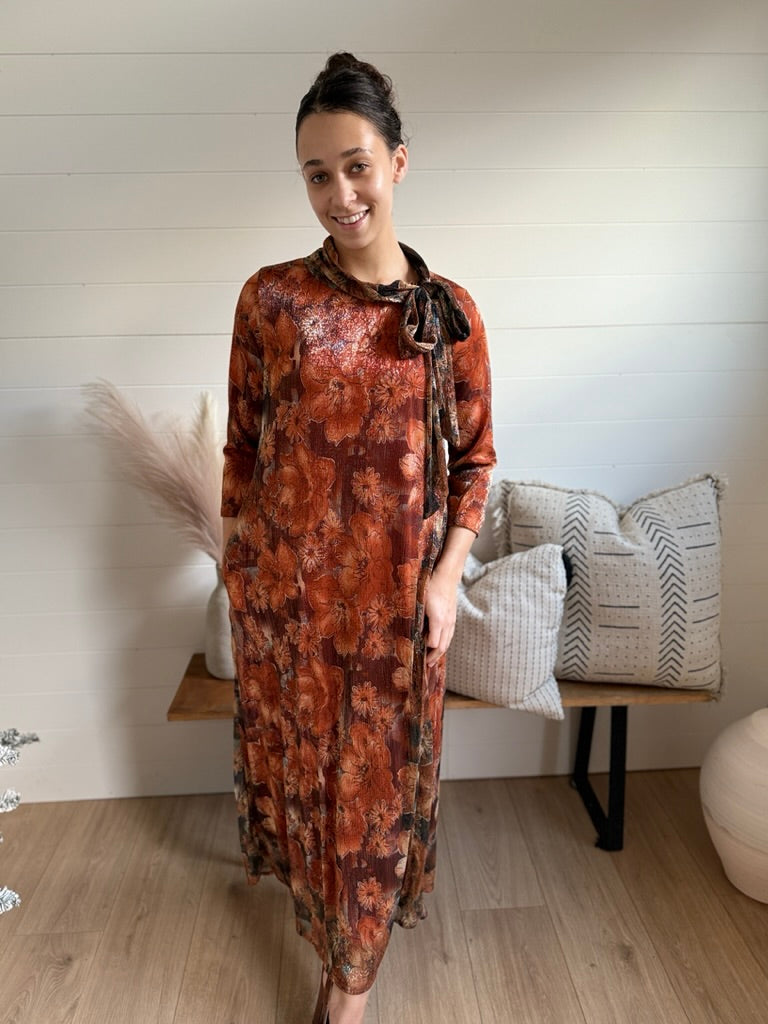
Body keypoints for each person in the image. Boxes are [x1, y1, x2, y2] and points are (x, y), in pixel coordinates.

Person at [220, 52, 496, 1024]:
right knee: (306, 781)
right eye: (317, 174)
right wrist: (238, 572)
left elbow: (476, 463)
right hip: (290, 603)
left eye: (356, 166)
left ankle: (350, 987)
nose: (340, 193)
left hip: (396, 607)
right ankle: (326, 936)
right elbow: (242, 450)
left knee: (375, 798)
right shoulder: (271, 300)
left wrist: (445, 579)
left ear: (398, 163)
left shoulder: (449, 313)